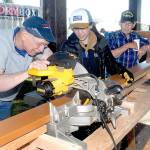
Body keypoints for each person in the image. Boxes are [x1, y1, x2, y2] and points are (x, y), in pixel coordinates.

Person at [0, 16, 55, 120]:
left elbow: (52, 60)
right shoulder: (2, 41)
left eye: (45, 45)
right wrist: (28, 73)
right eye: (40, 44)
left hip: (6, 101)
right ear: (24, 35)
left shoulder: (33, 44)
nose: (42, 49)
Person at [61, 8, 133, 80]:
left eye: (83, 28)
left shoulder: (101, 43)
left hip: (98, 85)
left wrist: (123, 71)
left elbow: (111, 64)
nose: (79, 32)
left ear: (91, 25)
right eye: (76, 28)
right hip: (77, 86)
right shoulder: (67, 46)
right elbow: (61, 71)